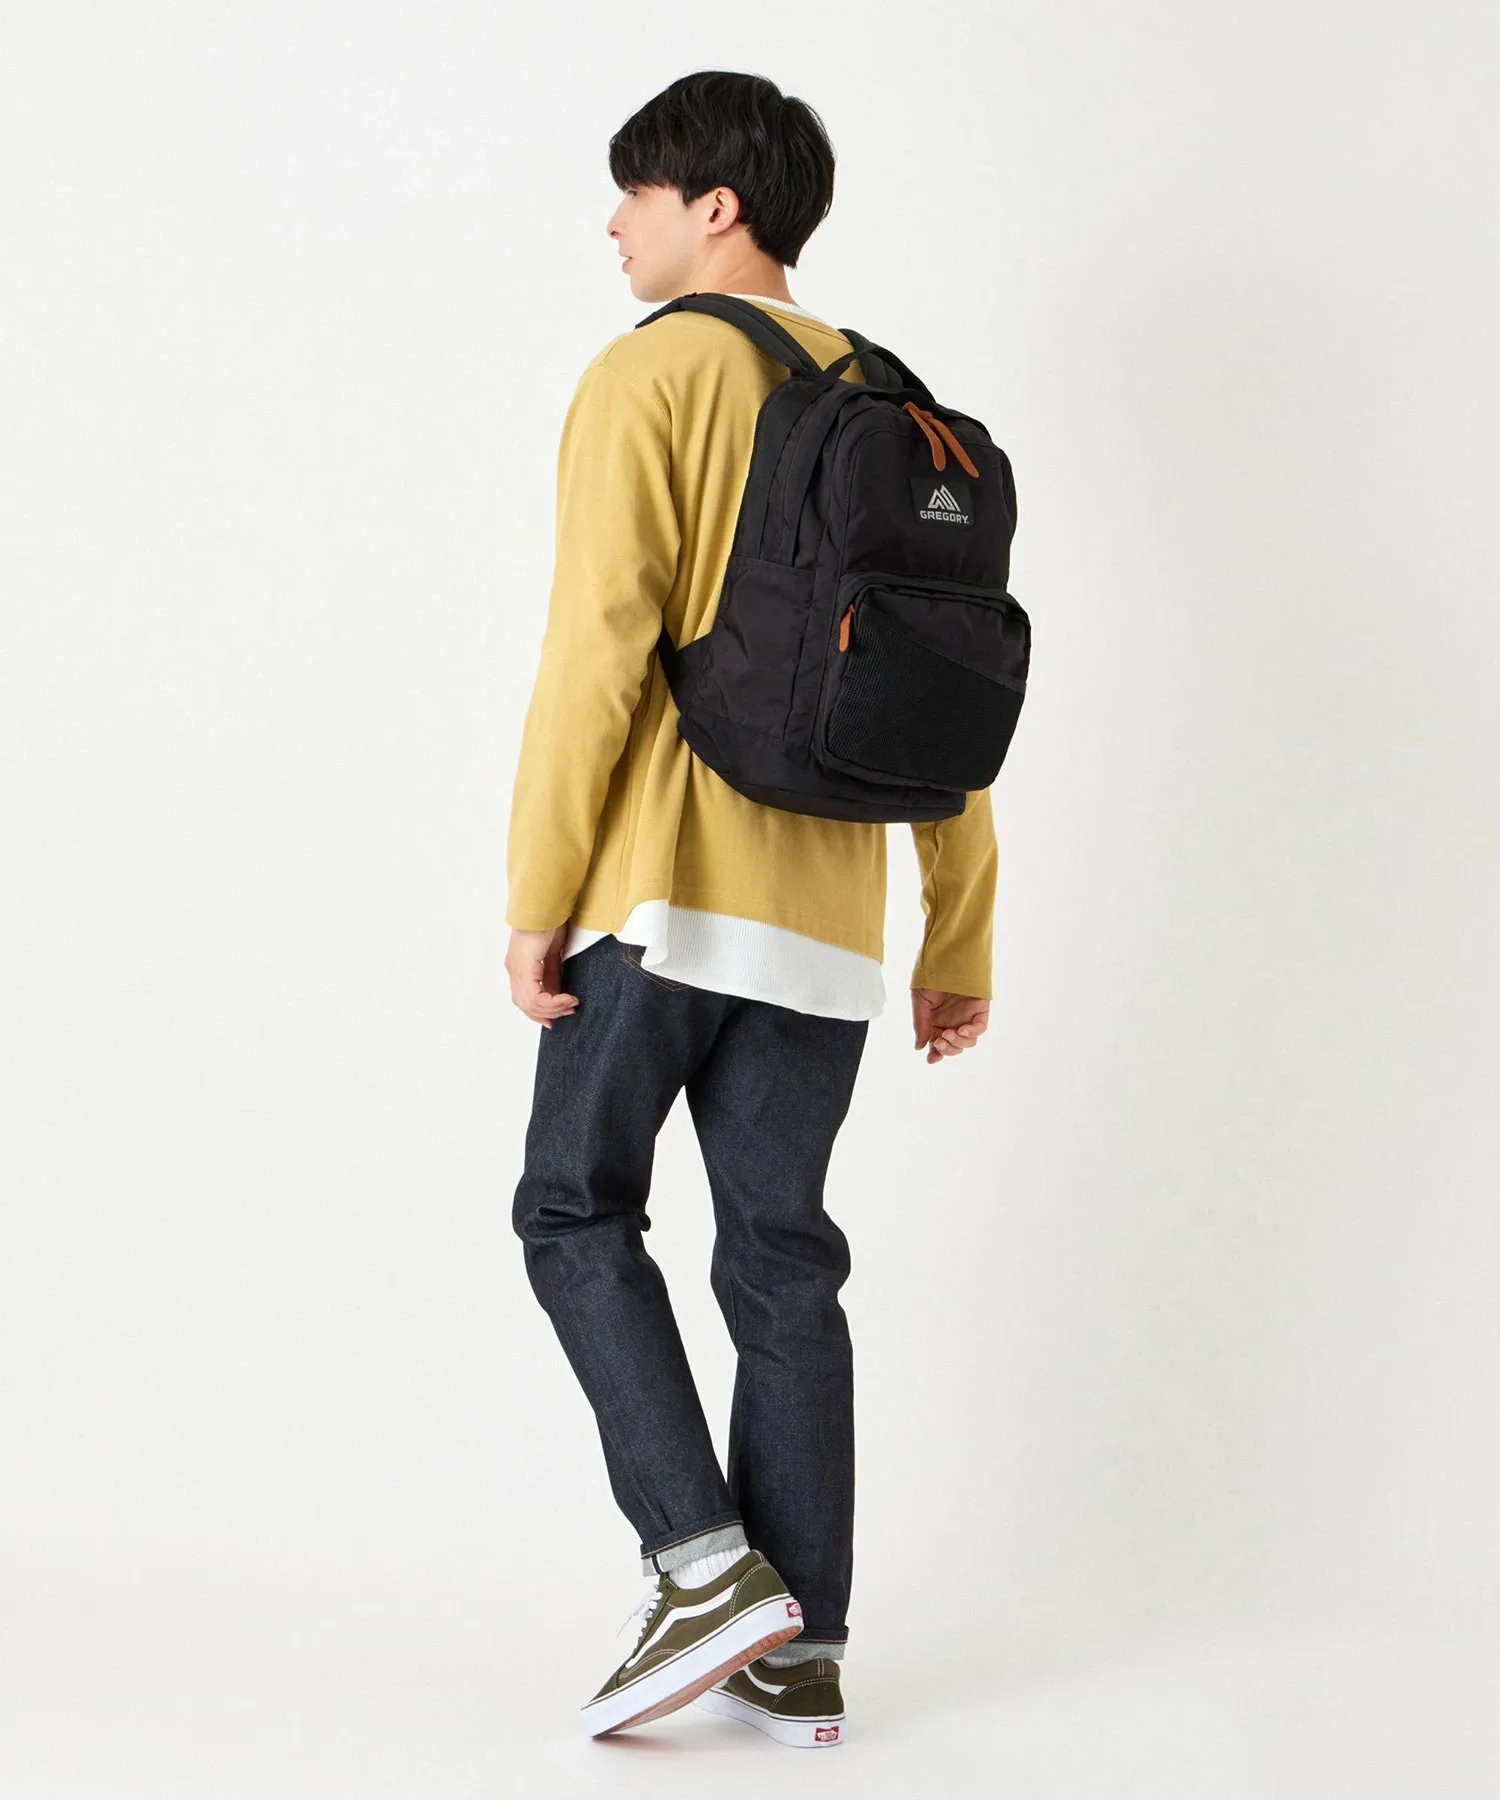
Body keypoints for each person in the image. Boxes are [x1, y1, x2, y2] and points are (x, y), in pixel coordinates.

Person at [506, 70, 997, 1746]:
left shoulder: (651, 374)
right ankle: (805, 1646)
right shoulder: (897, 403)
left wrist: (538, 890)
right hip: (831, 925)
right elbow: (940, 690)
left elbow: (597, 648)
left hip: (661, 892)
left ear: (715, 206)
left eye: (636, 193)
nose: (615, 224)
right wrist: (954, 933)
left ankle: (705, 1566)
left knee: (572, 1211)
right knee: (783, 1262)